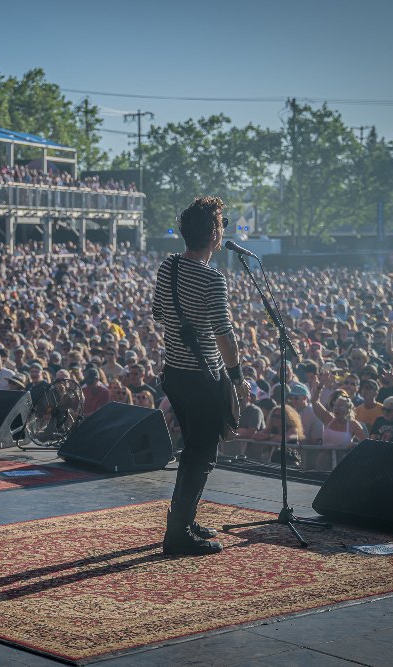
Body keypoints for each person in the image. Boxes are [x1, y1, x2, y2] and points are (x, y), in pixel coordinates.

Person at [152, 196, 250, 556]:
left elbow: (159, 312)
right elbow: (225, 336)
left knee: (192, 449)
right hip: (202, 379)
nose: (223, 231)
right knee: (201, 454)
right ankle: (178, 534)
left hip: (174, 374)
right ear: (213, 234)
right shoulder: (212, 279)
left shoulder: (168, 267)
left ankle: (185, 520)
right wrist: (238, 378)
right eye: (222, 225)